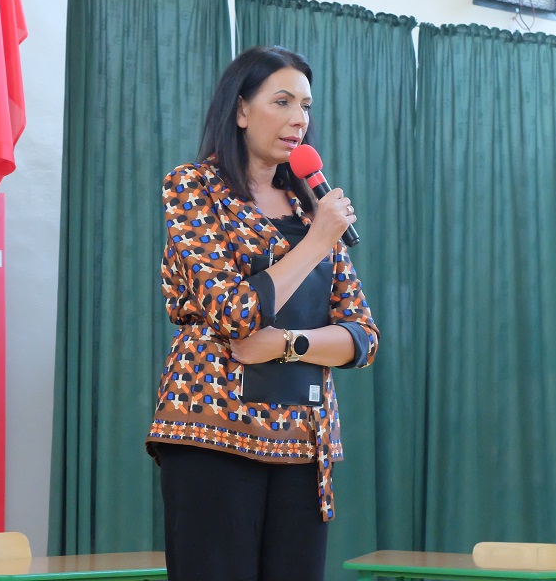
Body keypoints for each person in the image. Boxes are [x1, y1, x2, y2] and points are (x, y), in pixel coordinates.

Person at [145, 45, 380, 581]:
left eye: (306, 106)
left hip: (303, 439)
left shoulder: (311, 207)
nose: (299, 119)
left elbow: (363, 337)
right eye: (282, 101)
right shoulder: (194, 187)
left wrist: (289, 344)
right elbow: (231, 312)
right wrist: (316, 242)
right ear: (241, 109)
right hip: (212, 429)